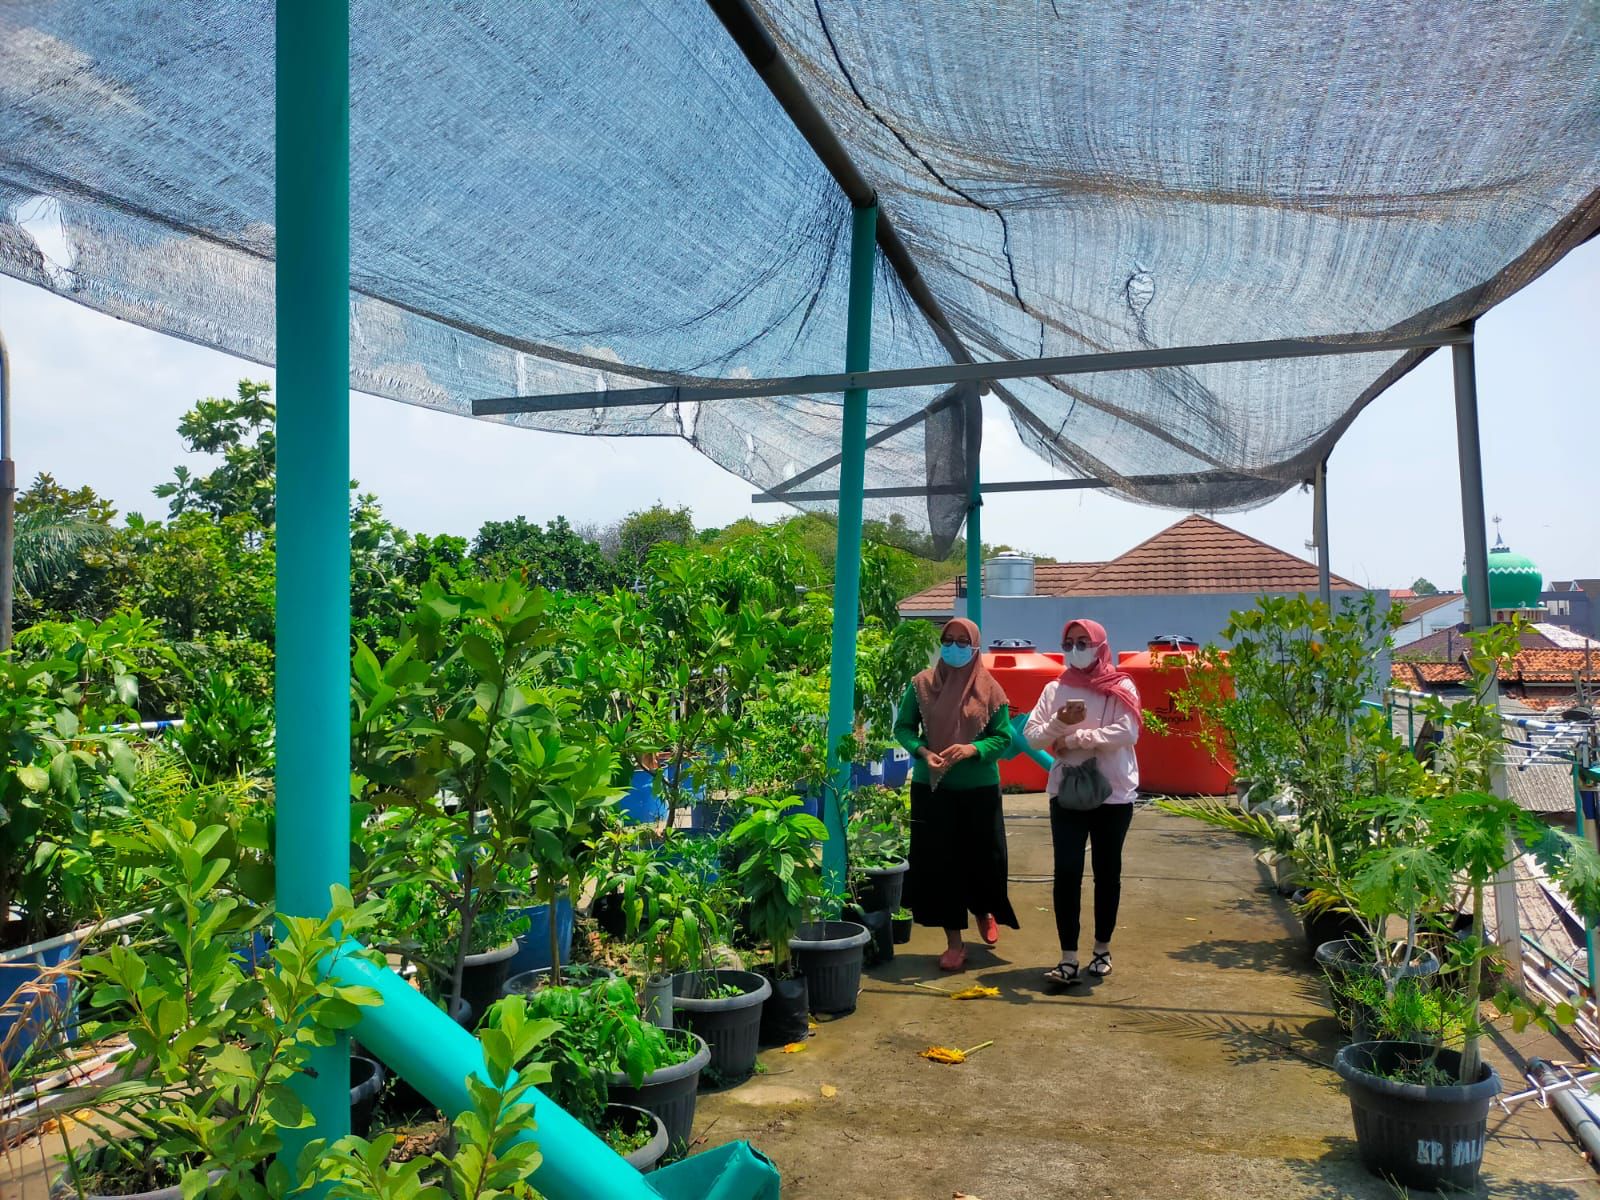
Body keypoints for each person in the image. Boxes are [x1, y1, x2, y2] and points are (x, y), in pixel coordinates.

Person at [894, 617, 1020, 972]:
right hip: (932, 789)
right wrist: (922, 751)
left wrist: (972, 749)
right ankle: (954, 941)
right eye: (948, 639)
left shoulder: (990, 689)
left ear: (976, 646)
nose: (953, 646)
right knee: (939, 865)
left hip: (978, 789)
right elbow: (903, 727)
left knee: (985, 859)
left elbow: (1004, 737)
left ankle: (984, 910)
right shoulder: (921, 685)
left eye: (962, 641)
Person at [1024, 619, 1142, 987]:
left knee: (1108, 873)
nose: (1076, 649)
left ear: (1101, 645)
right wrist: (1060, 722)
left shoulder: (1121, 686)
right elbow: (1032, 736)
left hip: (1114, 795)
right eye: (1070, 642)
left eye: (1083, 642)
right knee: (1067, 872)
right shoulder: (1055, 688)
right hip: (1067, 793)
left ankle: (1102, 949)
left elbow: (1128, 730)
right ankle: (1068, 957)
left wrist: (1077, 739)